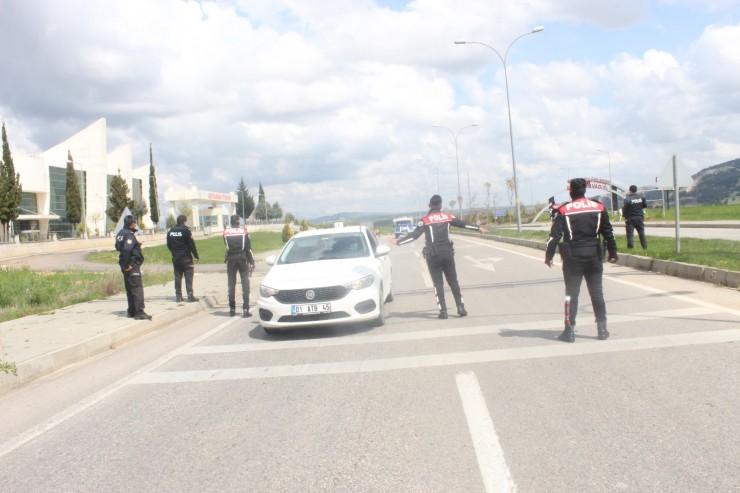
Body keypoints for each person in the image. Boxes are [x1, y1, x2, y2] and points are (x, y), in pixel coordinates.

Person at [545, 178, 618, 342]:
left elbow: (554, 236)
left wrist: (548, 256)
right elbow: (608, 232)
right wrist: (613, 252)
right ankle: (603, 330)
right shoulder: (599, 207)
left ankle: (569, 332)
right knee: (597, 294)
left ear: (571, 191)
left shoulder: (564, 210)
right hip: (594, 256)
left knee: (571, 295)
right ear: (585, 190)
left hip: (572, 259)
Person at [393, 194, 487, 319]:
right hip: (448, 253)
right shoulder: (447, 217)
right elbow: (462, 224)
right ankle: (461, 307)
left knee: (438, 284)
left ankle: (443, 312)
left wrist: (398, 242)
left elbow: (414, 236)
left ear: (429, 205)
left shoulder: (425, 220)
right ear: (441, 205)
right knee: (454, 282)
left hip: (433, 255)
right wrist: (478, 227)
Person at [114, 215, 151, 320]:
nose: (136, 224)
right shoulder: (129, 235)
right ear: (132, 223)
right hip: (131, 265)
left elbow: (118, 247)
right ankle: (139, 312)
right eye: (135, 222)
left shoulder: (120, 233)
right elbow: (126, 250)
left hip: (124, 263)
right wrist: (127, 265)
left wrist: (136, 244)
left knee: (130, 289)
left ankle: (131, 311)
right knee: (137, 288)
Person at [223, 214, 255, 317]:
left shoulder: (226, 233)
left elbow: (226, 244)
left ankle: (232, 309)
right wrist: (252, 261)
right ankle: (245, 309)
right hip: (241, 258)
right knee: (245, 284)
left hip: (231, 259)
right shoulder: (243, 232)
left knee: (231, 285)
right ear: (238, 221)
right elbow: (248, 249)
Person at [166, 214, 200, 302]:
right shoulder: (186, 231)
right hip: (186, 258)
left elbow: (169, 245)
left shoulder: (171, 231)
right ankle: (190, 296)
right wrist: (196, 255)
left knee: (178, 276)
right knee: (188, 276)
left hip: (176, 258)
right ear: (184, 221)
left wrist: (174, 252)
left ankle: (178, 296)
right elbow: (191, 244)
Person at [622, 184, 648, 250]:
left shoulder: (627, 199)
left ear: (630, 190)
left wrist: (624, 216)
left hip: (630, 218)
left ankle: (630, 247)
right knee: (641, 233)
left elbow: (624, 209)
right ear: (636, 190)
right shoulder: (641, 197)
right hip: (639, 217)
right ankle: (645, 247)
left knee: (630, 234)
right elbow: (644, 205)